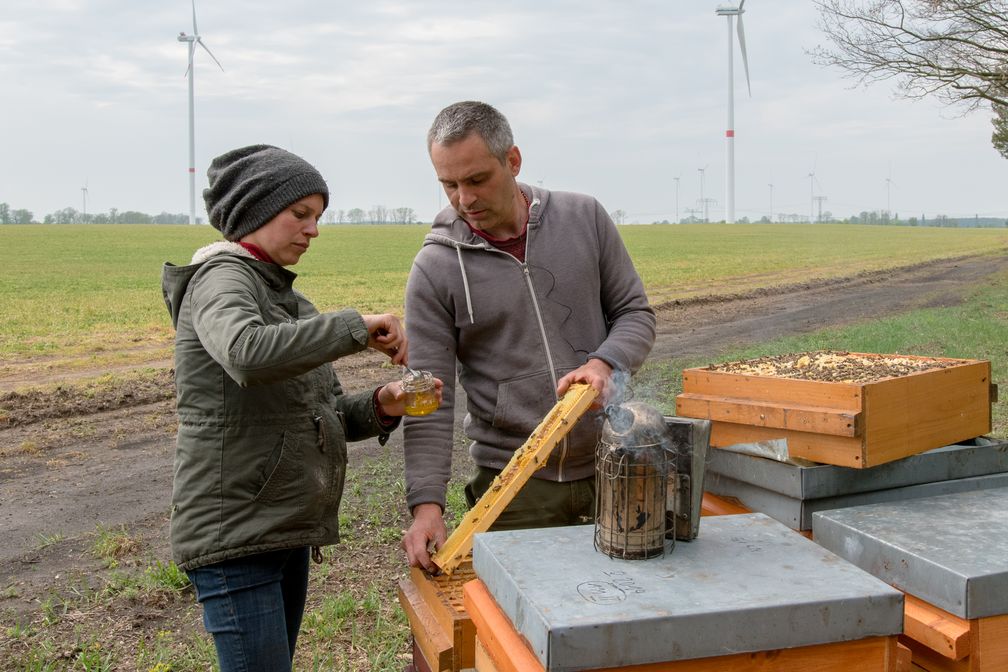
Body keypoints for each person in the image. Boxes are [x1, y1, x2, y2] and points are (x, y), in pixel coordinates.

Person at [161, 144, 439, 672]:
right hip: (236, 535)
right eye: (300, 214)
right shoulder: (222, 279)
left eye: (318, 217)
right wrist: (355, 326)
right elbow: (245, 353)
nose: (313, 230)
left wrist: (385, 403)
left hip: (278, 528)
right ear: (255, 211)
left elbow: (326, 413)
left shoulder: (287, 299)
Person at [401, 101, 656, 572]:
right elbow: (426, 397)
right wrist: (426, 506)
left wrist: (603, 363)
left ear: (512, 161)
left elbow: (634, 313)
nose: (464, 198)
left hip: (614, 464)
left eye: (477, 179)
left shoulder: (584, 218)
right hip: (514, 488)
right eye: (448, 184)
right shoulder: (435, 268)